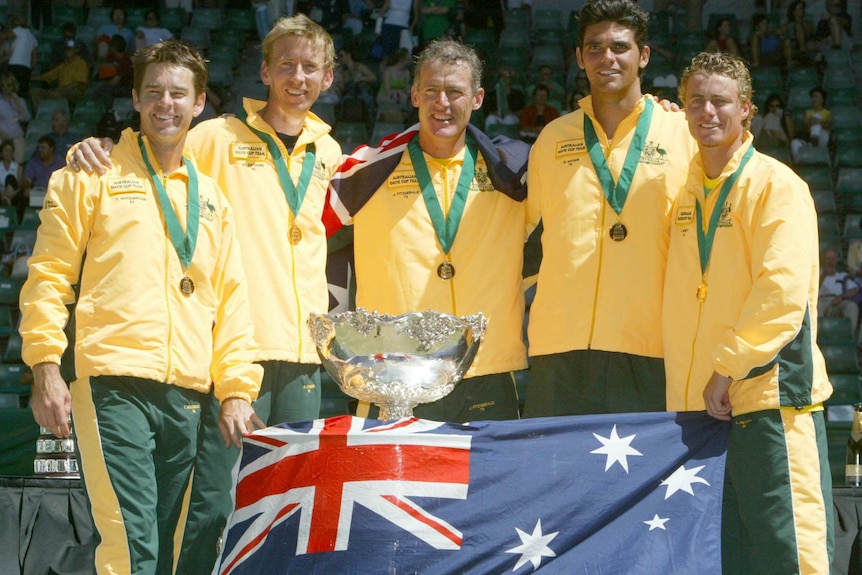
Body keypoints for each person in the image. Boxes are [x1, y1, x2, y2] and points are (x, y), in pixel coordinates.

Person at [72, 15, 341, 574]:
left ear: (329, 78)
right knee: (212, 505)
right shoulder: (215, 136)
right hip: (228, 354)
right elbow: (152, 154)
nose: (297, 76)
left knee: (287, 502)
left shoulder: (330, 152)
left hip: (302, 358)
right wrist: (91, 148)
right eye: (285, 64)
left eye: (309, 67)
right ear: (264, 70)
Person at [21, 39, 264, 575]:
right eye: (153, 91)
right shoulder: (89, 174)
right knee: (131, 543)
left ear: (200, 104)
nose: (165, 104)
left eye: (179, 93)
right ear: (135, 98)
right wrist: (45, 367)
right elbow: (49, 277)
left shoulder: (211, 198)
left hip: (190, 392)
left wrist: (237, 390)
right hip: (113, 383)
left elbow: (232, 300)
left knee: (181, 547)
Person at [663, 50, 833, 575]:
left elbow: (782, 295)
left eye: (721, 102)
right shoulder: (687, 196)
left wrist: (728, 367)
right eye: (696, 101)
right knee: (728, 555)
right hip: (703, 409)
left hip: (767, 399)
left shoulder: (777, 185)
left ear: (747, 111)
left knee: (788, 552)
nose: (707, 112)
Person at [328, 38, 529, 423]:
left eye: (455, 91)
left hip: (486, 367)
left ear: (478, 98)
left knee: (490, 485)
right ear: (414, 94)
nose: (443, 102)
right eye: (432, 90)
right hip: (393, 373)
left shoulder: (512, 173)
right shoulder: (366, 172)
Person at [522, 0, 697, 418]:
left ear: (644, 56)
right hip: (559, 348)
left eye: (620, 46)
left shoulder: (684, 134)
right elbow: (526, 238)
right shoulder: (552, 138)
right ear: (580, 57)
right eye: (595, 47)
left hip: (651, 346)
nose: (608, 57)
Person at [30, 39, 90, 112]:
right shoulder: (64, 64)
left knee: (58, 93)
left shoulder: (81, 63)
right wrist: (32, 78)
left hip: (74, 91)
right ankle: (40, 116)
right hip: (60, 91)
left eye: (69, 49)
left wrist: (62, 89)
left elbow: (78, 83)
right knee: (34, 92)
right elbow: (47, 76)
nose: (66, 51)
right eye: (65, 49)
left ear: (77, 50)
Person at [818, 246, 860, 335]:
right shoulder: (817, 274)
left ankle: (848, 336)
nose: (831, 261)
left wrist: (841, 297)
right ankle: (817, 338)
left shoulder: (842, 275)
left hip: (838, 302)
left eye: (833, 259)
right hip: (821, 301)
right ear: (823, 260)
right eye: (828, 259)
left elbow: (854, 290)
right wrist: (824, 274)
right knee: (817, 308)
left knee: (852, 306)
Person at [21, 137, 64, 216]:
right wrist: (27, 187)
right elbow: (27, 180)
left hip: (55, 194)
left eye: (43, 147)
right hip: (37, 193)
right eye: (39, 148)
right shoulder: (33, 163)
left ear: (51, 149)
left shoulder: (60, 163)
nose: (40, 150)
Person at [0, 15, 38, 100]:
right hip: (25, 69)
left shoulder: (20, 30)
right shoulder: (33, 38)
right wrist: (29, 70)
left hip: (14, 67)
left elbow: (3, 36)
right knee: (21, 95)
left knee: (9, 92)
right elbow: (35, 59)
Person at [0, 72, 29, 164]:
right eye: (3, 85)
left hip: (17, 136)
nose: (5, 88)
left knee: (19, 160)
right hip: (1, 135)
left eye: (8, 85)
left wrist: (18, 103)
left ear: (13, 86)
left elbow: (25, 118)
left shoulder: (20, 100)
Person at [0, 139, 23, 209]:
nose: (9, 153)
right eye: (7, 151)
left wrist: (13, 194)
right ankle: (6, 199)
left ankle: (6, 200)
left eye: (11, 151)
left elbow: (20, 186)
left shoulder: (18, 167)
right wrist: (2, 194)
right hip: (1, 193)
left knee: (10, 178)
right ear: (1, 153)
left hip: (14, 194)